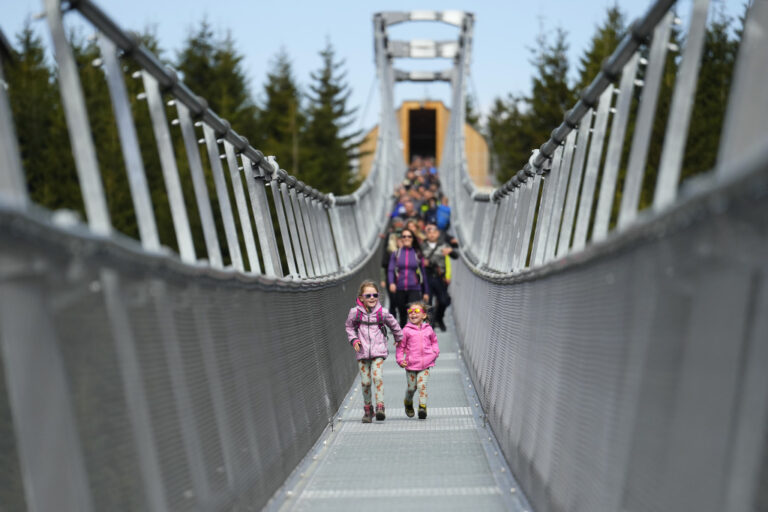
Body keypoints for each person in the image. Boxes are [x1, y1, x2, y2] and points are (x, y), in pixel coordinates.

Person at [345, 281, 403, 423]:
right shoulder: (355, 313)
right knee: (365, 382)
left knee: (377, 378)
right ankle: (368, 409)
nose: (372, 298)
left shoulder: (382, 313)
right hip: (362, 351)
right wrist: (354, 340)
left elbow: (394, 324)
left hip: (378, 350)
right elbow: (349, 327)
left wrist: (399, 338)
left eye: (375, 295)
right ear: (361, 297)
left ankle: (380, 407)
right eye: (368, 295)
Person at [396, 301, 439, 419]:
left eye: (416, 311)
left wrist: (435, 352)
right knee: (411, 388)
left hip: (426, 364)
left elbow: (434, 342)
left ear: (424, 315)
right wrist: (400, 360)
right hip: (411, 364)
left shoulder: (429, 329)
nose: (413, 314)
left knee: (421, 385)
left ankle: (422, 407)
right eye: (410, 312)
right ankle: (408, 403)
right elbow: (401, 347)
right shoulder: (406, 330)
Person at [388, 228, 430, 327]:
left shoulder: (417, 254)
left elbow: (423, 274)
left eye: (409, 236)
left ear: (412, 239)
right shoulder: (396, 254)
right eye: (404, 236)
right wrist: (391, 283)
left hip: (414, 289)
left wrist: (426, 292)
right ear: (401, 239)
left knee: (414, 315)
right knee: (402, 316)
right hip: (400, 288)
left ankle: (414, 339)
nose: (406, 238)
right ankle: (403, 339)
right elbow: (390, 270)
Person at [422, 223, 457, 331]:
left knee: (444, 300)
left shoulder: (443, 245)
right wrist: (422, 262)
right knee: (428, 302)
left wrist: (451, 251)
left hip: (439, 277)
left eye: (434, 232)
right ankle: (430, 326)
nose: (432, 235)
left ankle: (439, 317)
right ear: (426, 235)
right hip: (426, 277)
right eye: (429, 232)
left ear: (438, 234)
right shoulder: (421, 246)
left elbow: (455, 256)